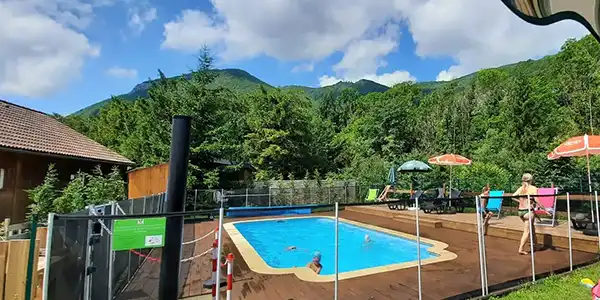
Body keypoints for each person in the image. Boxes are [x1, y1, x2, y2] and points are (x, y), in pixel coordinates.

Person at [512, 173, 544, 255]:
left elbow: (512, 196)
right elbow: (537, 200)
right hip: (528, 212)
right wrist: (544, 209)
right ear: (531, 180)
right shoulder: (533, 188)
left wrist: (520, 201)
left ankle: (536, 245)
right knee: (526, 231)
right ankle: (521, 249)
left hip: (520, 211)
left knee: (532, 229)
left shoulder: (521, 188)